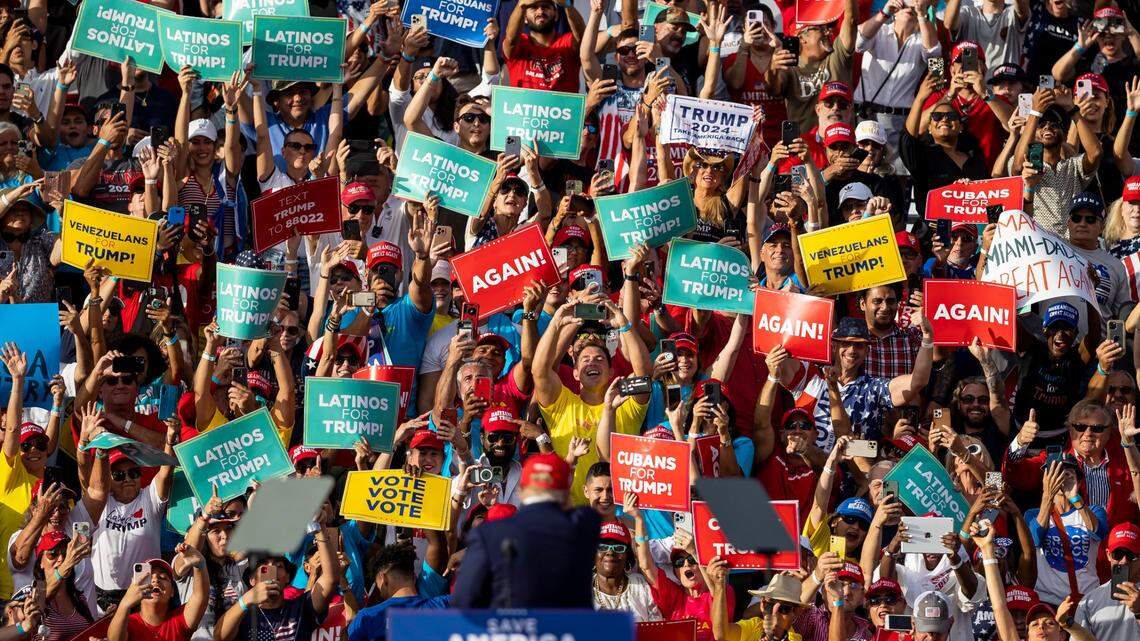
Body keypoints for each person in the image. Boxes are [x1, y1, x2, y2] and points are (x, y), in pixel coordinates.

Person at [452, 453, 599, 607]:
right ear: (567, 496)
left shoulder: (488, 534)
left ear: (520, 491)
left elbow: (463, 600)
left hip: (509, 629)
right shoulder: (583, 527)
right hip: (568, 629)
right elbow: (585, 513)